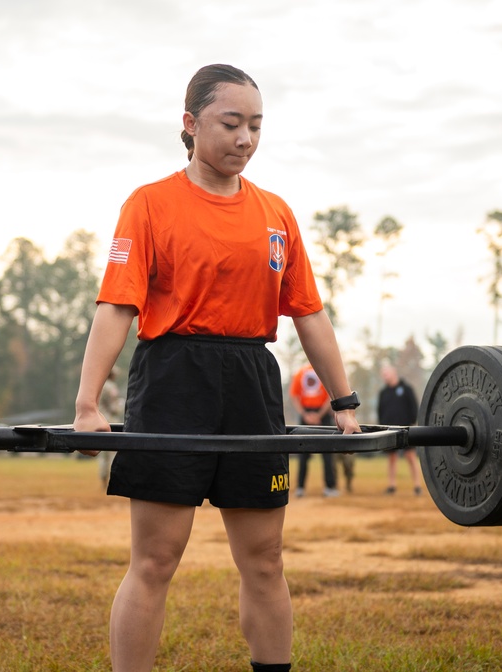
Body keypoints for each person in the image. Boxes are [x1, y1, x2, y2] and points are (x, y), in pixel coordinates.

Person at [72, 64, 361, 672]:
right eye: (231, 123)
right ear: (190, 124)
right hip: (173, 377)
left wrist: (345, 402)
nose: (245, 139)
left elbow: (308, 314)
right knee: (155, 559)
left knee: (265, 559)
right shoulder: (149, 205)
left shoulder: (277, 213)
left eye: (256, 126)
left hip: (252, 380)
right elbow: (117, 305)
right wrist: (87, 404)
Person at [289, 364, 340, 498]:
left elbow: (330, 396)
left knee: (326, 453)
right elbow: (294, 395)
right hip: (312, 413)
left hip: (318, 415)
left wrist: (311, 415)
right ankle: (302, 487)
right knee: (305, 453)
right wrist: (308, 415)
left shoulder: (302, 372)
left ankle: (328, 486)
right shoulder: (314, 372)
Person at [376, 362, 423, 496]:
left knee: (411, 456)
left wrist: (412, 422)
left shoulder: (406, 389)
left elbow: (414, 406)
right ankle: (392, 485)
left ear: (393, 372)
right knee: (392, 457)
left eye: (386, 373)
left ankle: (417, 485)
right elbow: (380, 411)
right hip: (389, 430)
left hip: (406, 429)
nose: (385, 376)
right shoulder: (383, 393)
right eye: (383, 374)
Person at [97, 369, 124, 490]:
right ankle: (114, 480)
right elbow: (114, 408)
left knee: (102, 454)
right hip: (111, 421)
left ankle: (103, 480)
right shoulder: (111, 387)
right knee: (113, 453)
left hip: (99, 420)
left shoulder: (98, 385)